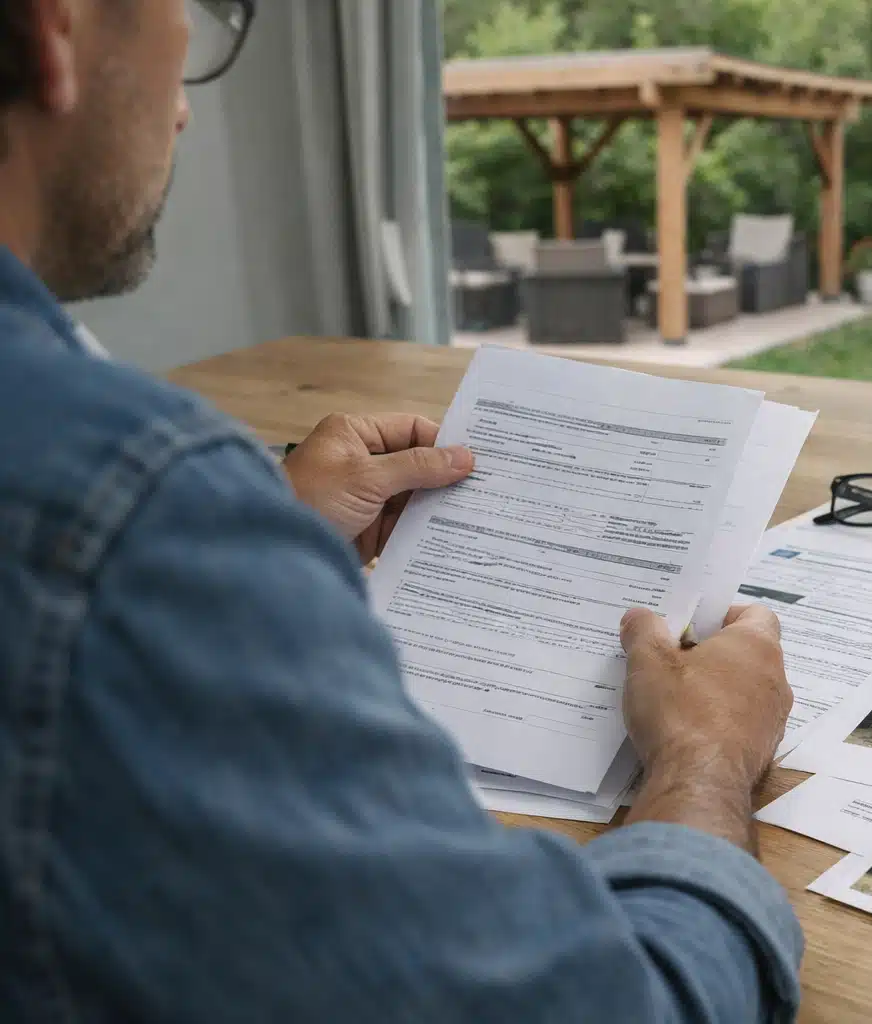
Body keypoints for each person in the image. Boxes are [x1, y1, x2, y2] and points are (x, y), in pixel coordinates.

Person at [0, 2, 802, 1021]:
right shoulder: (122, 511)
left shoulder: (119, 505)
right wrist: (707, 758)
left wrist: (249, 534)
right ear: (52, 28)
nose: (189, 111)